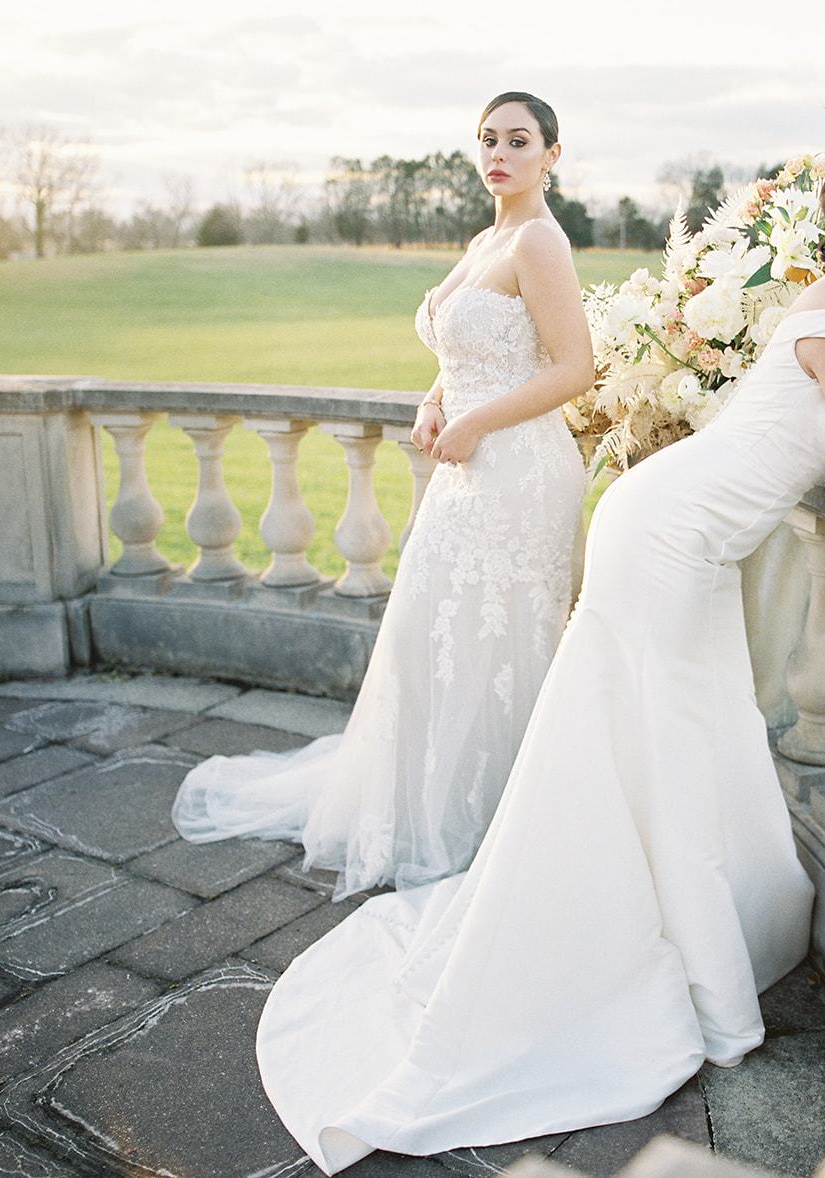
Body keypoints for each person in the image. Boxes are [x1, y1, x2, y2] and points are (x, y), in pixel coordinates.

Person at [255, 114, 825, 1174]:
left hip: (664, 522)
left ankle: (673, 935)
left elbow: (809, 441)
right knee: (649, 737)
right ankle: (651, 970)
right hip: (668, 536)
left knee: (659, 731)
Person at [170, 92, 590, 898]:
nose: (499, 153)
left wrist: (474, 426)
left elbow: (573, 368)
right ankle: (423, 800)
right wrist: (437, 402)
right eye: (487, 139)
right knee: (433, 634)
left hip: (517, 470)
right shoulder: (485, 239)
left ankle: (493, 816)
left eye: (518, 140)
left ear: (552, 155)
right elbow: (469, 349)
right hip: (468, 464)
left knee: (494, 639)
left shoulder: (540, 241)